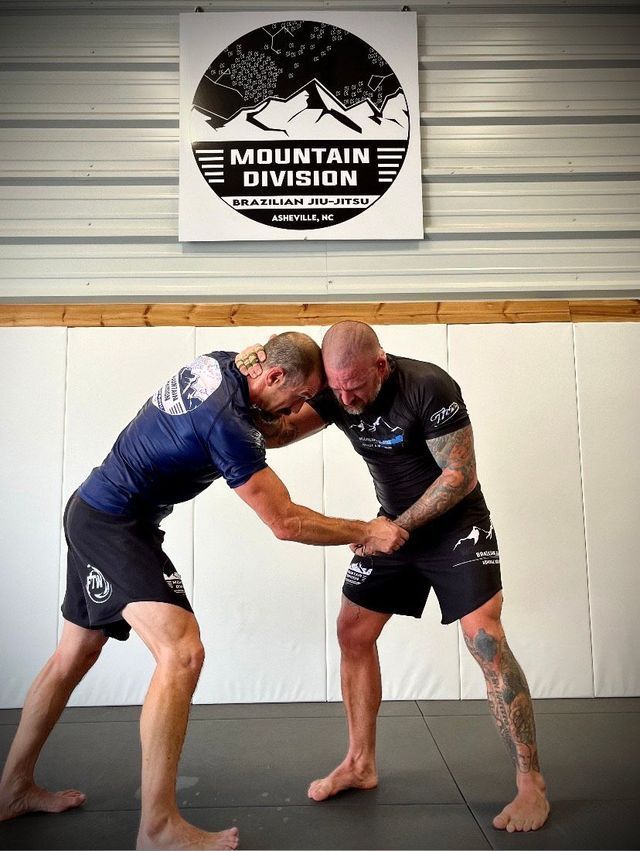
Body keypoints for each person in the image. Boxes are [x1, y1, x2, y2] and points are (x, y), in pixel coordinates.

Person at [0, 331, 408, 851]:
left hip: (97, 510)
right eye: (301, 397)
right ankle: (158, 827)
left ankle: (11, 790)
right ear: (274, 376)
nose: (299, 409)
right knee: (182, 652)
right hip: (114, 524)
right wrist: (365, 530)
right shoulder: (227, 423)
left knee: (74, 653)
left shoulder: (223, 366)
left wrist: (327, 405)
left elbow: (270, 428)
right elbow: (284, 522)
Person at [235, 321, 551, 834]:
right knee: (352, 631)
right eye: (335, 389)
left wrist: (392, 529)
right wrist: (242, 385)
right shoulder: (337, 392)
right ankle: (360, 763)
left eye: (354, 386)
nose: (344, 397)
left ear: (380, 365)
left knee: (485, 638)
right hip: (390, 525)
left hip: (454, 525)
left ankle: (530, 783)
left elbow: (459, 475)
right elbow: (280, 432)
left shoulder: (429, 386)